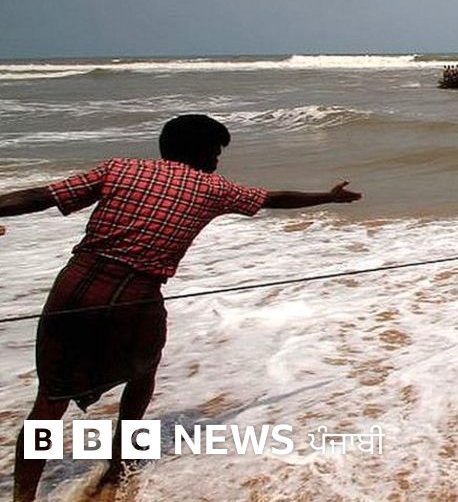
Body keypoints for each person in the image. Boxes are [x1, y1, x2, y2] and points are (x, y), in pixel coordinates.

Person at [0, 114, 362, 502]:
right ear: (202, 151)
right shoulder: (214, 188)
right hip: (137, 296)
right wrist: (328, 197)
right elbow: (273, 199)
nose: (218, 159)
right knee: (141, 375)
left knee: (50, 399)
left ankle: (23, 496)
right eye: (216, 151)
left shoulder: (120, 168)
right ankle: (119, 466)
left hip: (77, 288)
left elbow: (42, 196)